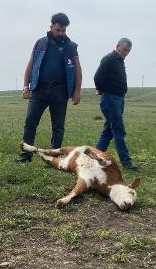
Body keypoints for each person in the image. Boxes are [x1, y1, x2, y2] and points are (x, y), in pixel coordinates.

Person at [16, 12, 82, 163]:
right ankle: (26, 154)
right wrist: (26, 85)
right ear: (51, 27)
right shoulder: (40, 43)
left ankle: (54, 157)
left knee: (58, 126)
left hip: (60, 90)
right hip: (39, 89)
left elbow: (77, 69)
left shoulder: (71, 47)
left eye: (63, 30)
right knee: (30, 122)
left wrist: (77, 91)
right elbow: (31, 65)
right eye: (58, 30)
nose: (61, 33)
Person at [93, 38, 137, 170]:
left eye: (128, 51)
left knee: (108, 131)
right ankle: (126, 162)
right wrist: (102, 90)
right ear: (117, 46)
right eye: (124, 50)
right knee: (118, 130)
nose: (126, 53)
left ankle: (94, 158)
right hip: (110, 99)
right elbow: (97, 77)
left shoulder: (119, 60)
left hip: (118, 99)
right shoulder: (109, 59)